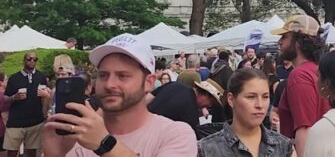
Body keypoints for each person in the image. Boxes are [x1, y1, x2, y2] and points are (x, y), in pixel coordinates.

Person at [41, 33, 197, 156]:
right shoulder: (74, 136)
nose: (109, 84)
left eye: (123, 76)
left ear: (149, 82)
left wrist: (104, 143)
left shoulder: (174, 134)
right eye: (103, 75)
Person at [198, 68, 292, 156]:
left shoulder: (284, 146)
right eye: (251, 97)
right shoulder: (206, 149)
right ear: (231, 99)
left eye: (265, 97)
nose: (260, 105)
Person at [271, 15, 329, 157]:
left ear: (298, 41)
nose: (279, 42)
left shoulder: (300, 76)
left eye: (284, 37)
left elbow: (305, 129)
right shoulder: (319, 70)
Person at [3, 51, 50, 157]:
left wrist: (44, 113)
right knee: (11, 152)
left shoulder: (41, 76)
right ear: (24, 60)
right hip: (16, 122)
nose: (32, 61)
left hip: (35, 121)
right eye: (29, 59)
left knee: (32, 152)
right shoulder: (14, 78)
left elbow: (46, 97)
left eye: (35, 59)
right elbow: (5, 98)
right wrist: (15, 97)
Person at [146, 76, 223, 131]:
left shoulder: (175, 85)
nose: (209, 106)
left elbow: (148, 98)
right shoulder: (191, 113)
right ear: (206, 95)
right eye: (211, 102)